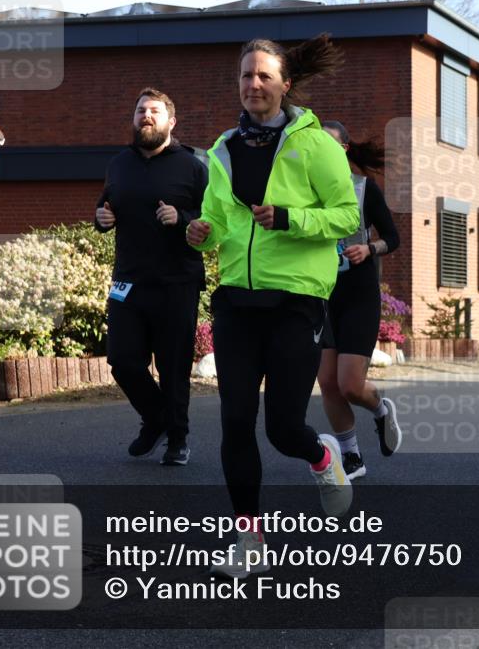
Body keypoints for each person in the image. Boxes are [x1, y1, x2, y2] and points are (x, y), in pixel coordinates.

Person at [185, 36, 360, 578]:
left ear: (285, 84)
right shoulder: (222, 149)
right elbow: (216, 223)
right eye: (245, 77)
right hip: (237, 299)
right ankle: (249, 539)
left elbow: (347, 216)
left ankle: (322, 456)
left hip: (296, 301)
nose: (253, 85)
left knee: (284, 428)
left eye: (264, 76)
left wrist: (290, 218)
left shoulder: (315, 145)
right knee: (236, 421)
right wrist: (200, 233)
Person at [94, 88, 206, 466]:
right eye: (141, 109)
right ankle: (156, 418)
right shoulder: (119, 164)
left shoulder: (193, 166)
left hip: (177, 282)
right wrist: (101, 219)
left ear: (171, 122)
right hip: (129, 281)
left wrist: (184, 219)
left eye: (154, 111)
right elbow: (106, 204)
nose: (146, 116)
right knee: (122, 359)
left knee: (174, 367)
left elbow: (216, 221)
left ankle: (177, 437)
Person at [316, 120, 402, 480]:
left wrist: (369, 249)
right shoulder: (304, 192)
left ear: (345, 150)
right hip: (321, 294)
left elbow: (393, 238)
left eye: (332, 146)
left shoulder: (364, 189)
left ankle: (380, 408)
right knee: (328, 383)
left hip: (359, 295)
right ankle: (351, 455)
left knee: (350, 385)